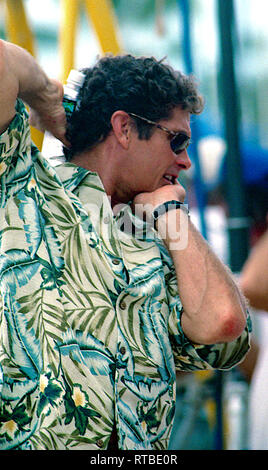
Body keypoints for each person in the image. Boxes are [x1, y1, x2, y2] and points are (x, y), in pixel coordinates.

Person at [0, 40, 251, 451]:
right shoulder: (23, 185)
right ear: (124, 128)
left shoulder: (163, 242)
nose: (185, 161)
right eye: (177, 141)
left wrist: (173, 219)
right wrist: (48, 100)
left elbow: (223, 329)